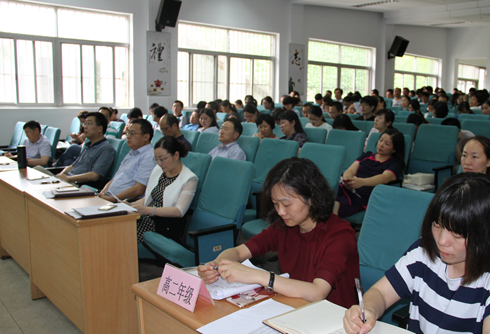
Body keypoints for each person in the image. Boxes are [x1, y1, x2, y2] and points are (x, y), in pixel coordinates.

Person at [343, 172, 490, 334]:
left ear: (487, 234)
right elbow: (380, 293)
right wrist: (368, 309)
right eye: (437, 225)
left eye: (458, 234)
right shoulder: (424, 251)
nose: (442, 241)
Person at [197, 157, 360, 308]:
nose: (281, 212)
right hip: (296, 308)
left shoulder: (339, 234)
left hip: (334, 318)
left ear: (311, 197)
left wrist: (258, 276)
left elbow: (318, 292)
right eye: (276, 204)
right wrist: (216, 265)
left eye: (287, 205)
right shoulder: (285, 226)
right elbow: (239, 252)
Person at [131, 136, 198, 244]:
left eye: (162, 159)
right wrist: (130, 206)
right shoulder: (158, 170)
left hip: (161, 225)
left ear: (176, 155)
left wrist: (148, 210)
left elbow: (179, 211)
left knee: (124, 237)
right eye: (156, 159)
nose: (159, 163)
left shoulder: (189, 179)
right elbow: (149, 197)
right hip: (144, 217)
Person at [334, 129, 405, 218]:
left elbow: (385, 178)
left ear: (394, 149)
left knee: (331, 206)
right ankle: (333, 222)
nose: (381, 144)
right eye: (381, 140)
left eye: (386, 144)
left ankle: (333, 223)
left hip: (362, 196)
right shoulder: (368, 155)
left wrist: (362, 182)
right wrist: (347, 179)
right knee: (324, 198)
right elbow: (351, 170)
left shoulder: (395, 163)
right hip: (348, 188)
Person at [98, 119, 156, 202]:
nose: (128, 136)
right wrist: (102, 193)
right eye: (128, 133)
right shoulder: (131, 153)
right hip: (109, 198)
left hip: (124, 202)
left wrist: (112, 199)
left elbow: (138, 190)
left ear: (146, 137)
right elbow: (115, 179)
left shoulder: (149, 156)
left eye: (132, 133)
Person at [55, 112, 116, 189]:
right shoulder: (87, 145)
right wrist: (61, 175)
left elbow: (94, 175)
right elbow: (73, 165)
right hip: (68, 180)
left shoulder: (106, 149)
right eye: (85, 124)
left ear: (100, 128)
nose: (85, 127)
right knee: (38, 170)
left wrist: (68, 179)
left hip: (78, 185)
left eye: (89, 124)